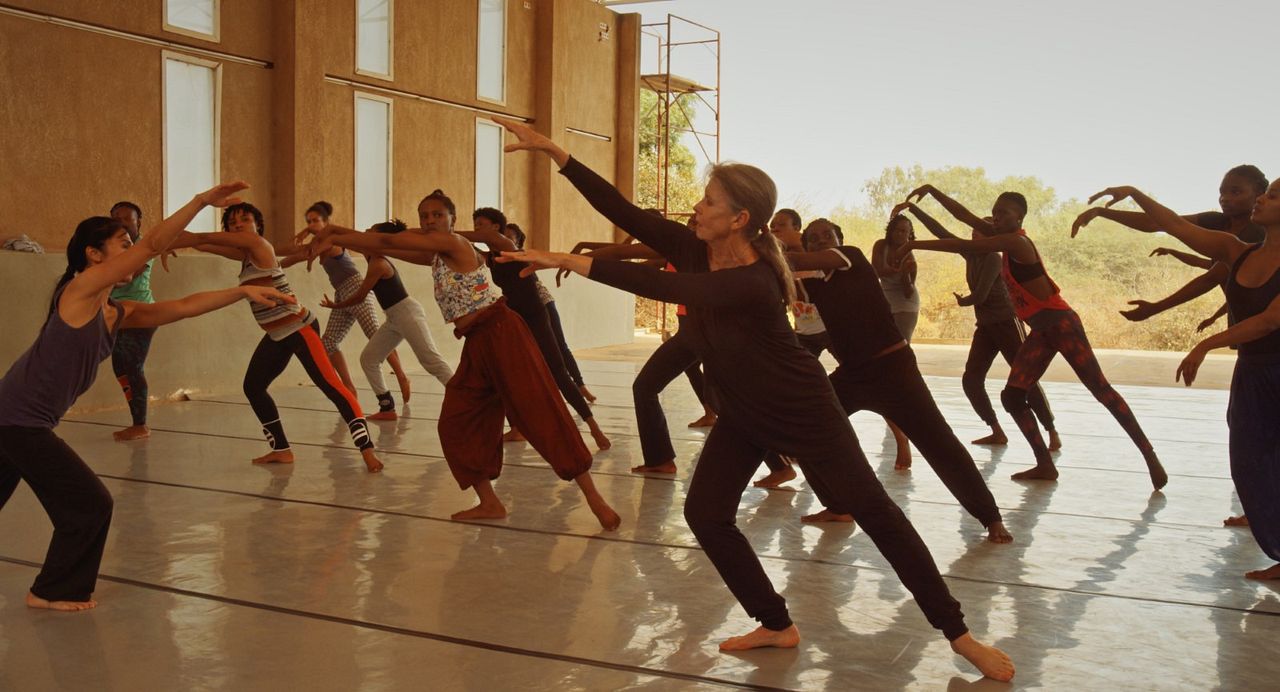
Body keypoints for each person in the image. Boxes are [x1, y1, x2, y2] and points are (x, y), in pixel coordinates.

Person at [491, 115, 1014, 681]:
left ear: (738, 218)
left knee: (877, 514)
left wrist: (568, 260)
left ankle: (960, 635)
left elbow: (668, 288)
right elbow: (624, 211)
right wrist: (557, 155)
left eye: (709, 201)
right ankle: (775, 622)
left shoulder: (755, 277)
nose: (697, 207)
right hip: (744, 411)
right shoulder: (696, 245)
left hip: (804, 409)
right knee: (706, 514)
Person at [0, 181, 294, 611]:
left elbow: (185, 306)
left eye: (132, 242)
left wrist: (242, 291)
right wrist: (200, 202)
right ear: (94, 255)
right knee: (90, 505)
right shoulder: (79, 290)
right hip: (18, 421)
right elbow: (155, 243)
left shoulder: (118, 310)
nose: (134, 249)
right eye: (124, 243)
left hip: (15, 418)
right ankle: (52, 590)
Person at [307, 190, 619, 529]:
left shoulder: (455, 244)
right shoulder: (437, 256)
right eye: (424, 216)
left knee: (540, 411)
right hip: (476, 343)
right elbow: (384, 244)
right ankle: (489, 501)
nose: (429, 221)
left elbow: (384, 238)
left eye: (437, 215)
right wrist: (335, 236)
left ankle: (594, 498)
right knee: (456, 421)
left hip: (502, 332)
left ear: (452, 220)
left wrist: (335, 229)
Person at [897, 185, 1165, 489]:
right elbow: (964, 216)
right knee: (1012, 396)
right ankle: (1044, 464)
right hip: (1041, 331)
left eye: (1004, 213)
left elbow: (965, 242)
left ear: (1019, 218)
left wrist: (914, 246)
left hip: (1062, 325)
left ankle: (1149, 455)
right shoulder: (1004, 240)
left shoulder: (1017, 242)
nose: (997, 217)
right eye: (995, 212)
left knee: (1101, 389)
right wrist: (933, 192)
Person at [1084, 180, 1280, 579]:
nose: (1262, 198)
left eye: (1273, 195)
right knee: (1248, 460)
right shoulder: (1235, 251)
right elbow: (1174, 224)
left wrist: (1206, 343)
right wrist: (1136, 194)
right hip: (1253, 373)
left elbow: (1270, 320)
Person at [777, 218, 1011, 542]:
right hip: (855, 374)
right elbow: (784, 278)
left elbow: (795, 262)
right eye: (813, 238)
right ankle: (837, 507)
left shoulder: (852, 257)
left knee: (940, 444)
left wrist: (774, 244)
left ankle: (991, 518)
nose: (820, 242)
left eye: (826, 236)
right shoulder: (814, 285)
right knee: (807, 428)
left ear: (839, 239)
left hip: (895, 370)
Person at [165, 203, 383, 472]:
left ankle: (368, 451)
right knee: (253, 386)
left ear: (257, 224)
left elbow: (202, 238)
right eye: (233, 223)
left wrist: (172, 238)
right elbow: (203, 245)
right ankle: (281, 450)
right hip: (277, 334)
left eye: (245, 219)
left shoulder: (258, 244)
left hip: (299, 327)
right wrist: (177, 243)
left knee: (331, 387)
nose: (238, 225)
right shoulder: (245, 254)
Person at [898, 200, 1060, 449]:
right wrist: (914, 209)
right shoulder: (970, 253)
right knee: (971, 379)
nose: (974, 234)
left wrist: (965, 301)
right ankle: (995, 429)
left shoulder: (994, 258)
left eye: (980, 231)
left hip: (1006, 323)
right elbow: (942, 234)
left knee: (1024, 379)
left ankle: (1051, 431)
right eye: (973, 231)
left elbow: (981, 294)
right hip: (986, 325)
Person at [315, 219, 454, 421]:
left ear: (380, 240)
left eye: (371, 231)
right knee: (369, 359)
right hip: (394, 318)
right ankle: (387, 406)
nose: (366, 231)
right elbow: (351, 236)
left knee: (430, 361)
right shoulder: (369, 253)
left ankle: (463, 397)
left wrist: (334, 306)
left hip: (408, 313)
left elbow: (360, 296)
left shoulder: (379, 263)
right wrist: (329, 230)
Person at [285, 201, 412, 404]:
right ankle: (349, 387)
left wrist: (309, 244)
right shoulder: (317, 244)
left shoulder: (334, 242)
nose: (311, 225)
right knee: (328, 342)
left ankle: (401, 376)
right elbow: (296, 257)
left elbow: (316, 249)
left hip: (357, 288)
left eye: (315, 221)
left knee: (375, 336)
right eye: (308, 221)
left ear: (326, 222)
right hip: (341, 295)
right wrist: (273, 266)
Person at [505, 222, 595, 403]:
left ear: (518, 242)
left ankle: (580, 385)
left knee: (559, 346)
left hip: (542, 303)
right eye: (503, 236)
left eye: (510, 237)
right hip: (520, 308)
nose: (506, 240)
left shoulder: (522, 256)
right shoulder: (498, 259)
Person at [106, 201, 157, 441]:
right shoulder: (110, 246)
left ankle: (141, 424)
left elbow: (126, 277)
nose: (121, 223)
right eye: (116, 218)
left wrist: (94, 280)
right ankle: (136, 420)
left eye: (127, 219)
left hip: (140, 313)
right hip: (117, 312)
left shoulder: (144, 247)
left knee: (133, 366)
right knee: (119, 365)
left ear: (139, 223)